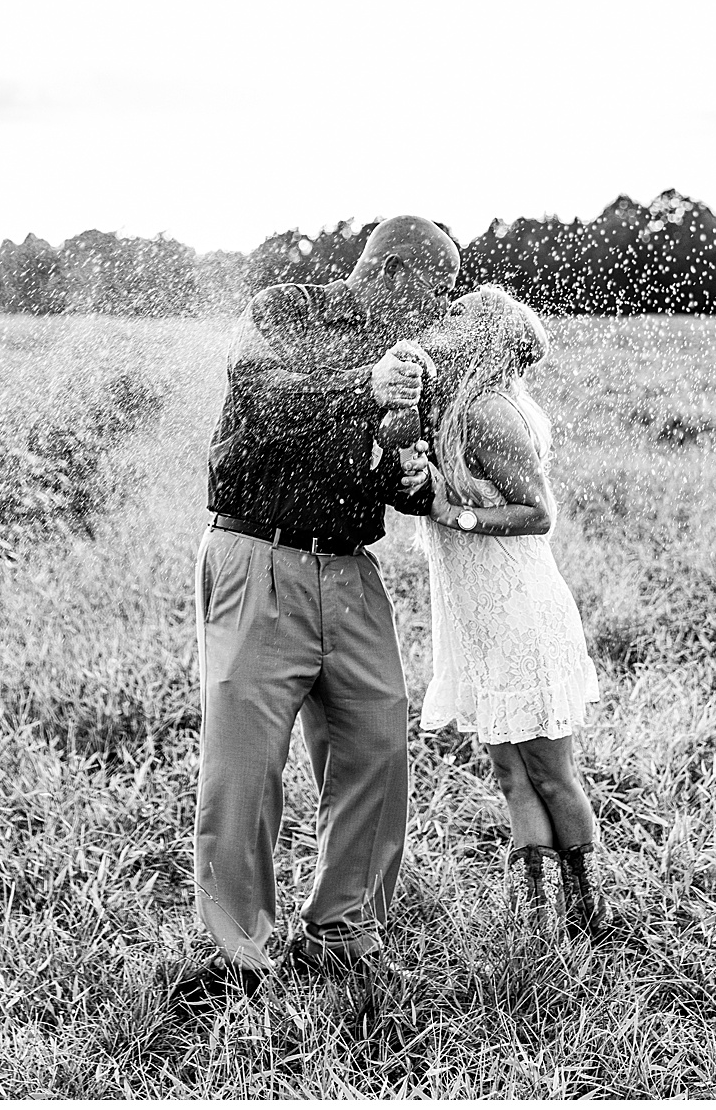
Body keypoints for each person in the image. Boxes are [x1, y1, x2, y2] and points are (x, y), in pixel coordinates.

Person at [177, 214, 460, 1011]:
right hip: (257, 557)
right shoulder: (285, 309)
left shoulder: (416, 364)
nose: (440, 308)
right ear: (396, 272)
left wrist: (409, 473)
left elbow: (397, 479)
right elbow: (260, 400)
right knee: (245, 766)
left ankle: (343, 930)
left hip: (352, 570)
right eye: (436, 288)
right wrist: (364, 388)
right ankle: (241, 953)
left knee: (378, 741)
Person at [416, 285, 606, 934]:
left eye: (463, 310)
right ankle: (534, 917)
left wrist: (453, 513)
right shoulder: (453, 403)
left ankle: (585, 908)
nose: (448, 313)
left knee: (551, 773)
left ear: (488, 334)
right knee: (507, 771)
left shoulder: (490, 412)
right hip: (478, 615)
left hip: (519, 609)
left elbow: (537, 513)